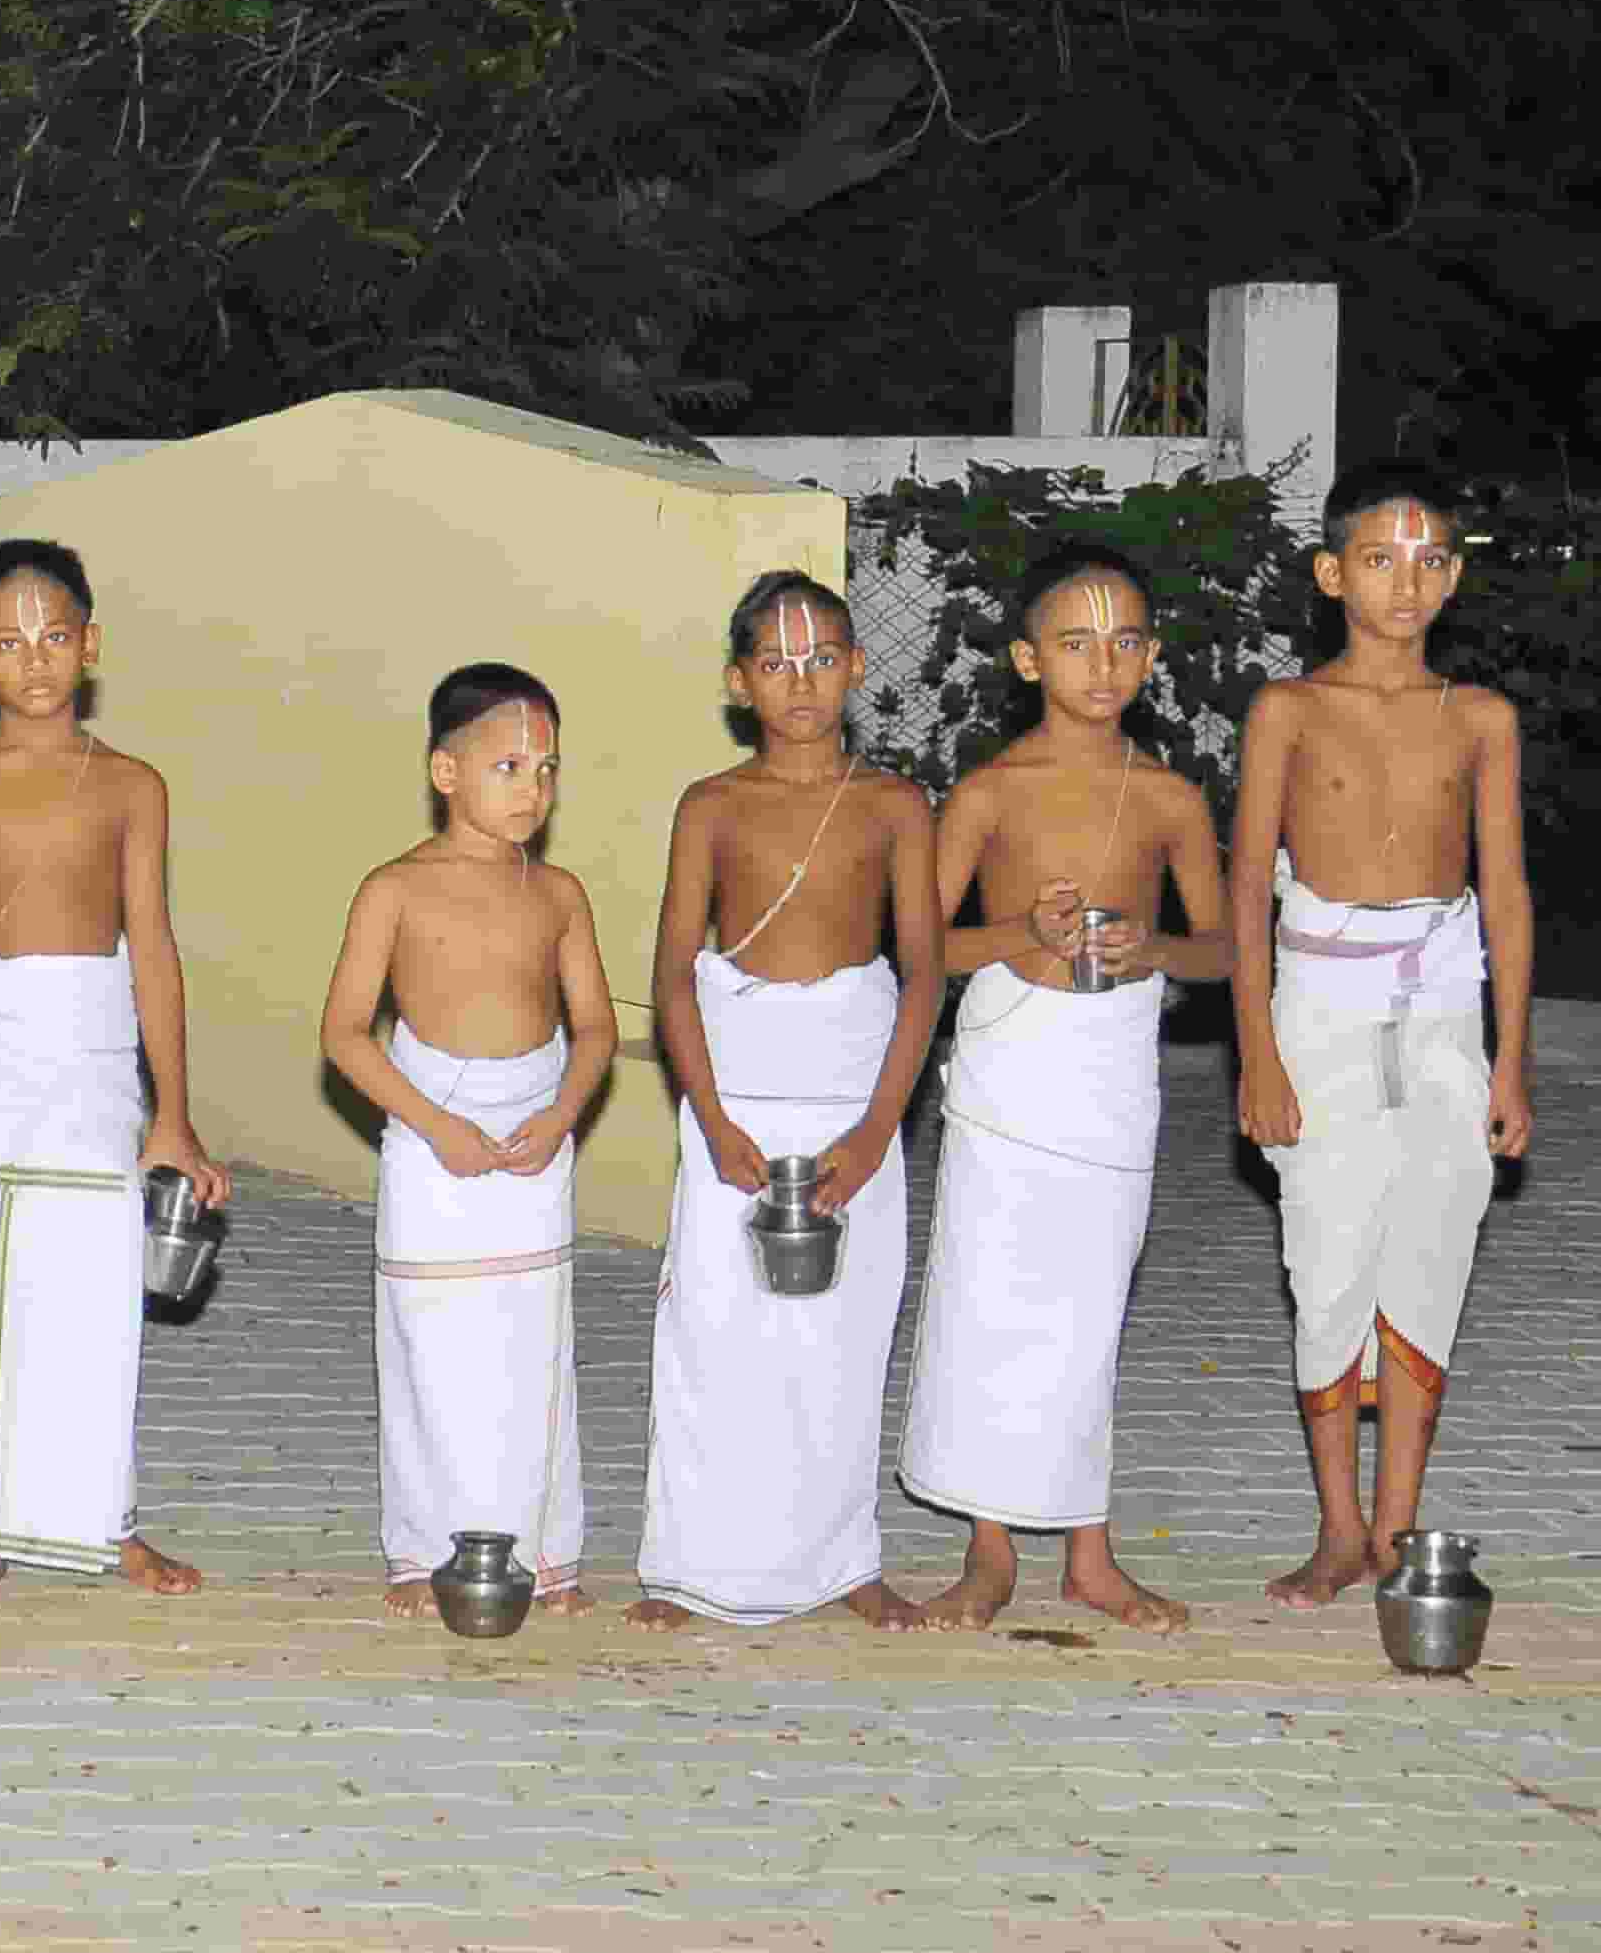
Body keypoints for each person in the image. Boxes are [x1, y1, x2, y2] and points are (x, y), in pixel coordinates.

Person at [900, 541, 1227, 1633]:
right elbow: (917, 946)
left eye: (1125, 642)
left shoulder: (1170, 799)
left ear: (1151, 657)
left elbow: (1225, 949)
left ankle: (1089, 1553)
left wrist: (1156, 951)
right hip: (1010, 1063)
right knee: (986, 1296)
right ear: (1028, 659)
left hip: (1108, 1068)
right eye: (1076, 643)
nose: (1103, 664)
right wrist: (1016, 933)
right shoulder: (990, 793)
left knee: (1089, 1304)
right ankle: (989, 1547)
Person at [0, 538, 224, 1604]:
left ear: (90, 646)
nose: (33, 659)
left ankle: (104, 1521)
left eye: (53, 637)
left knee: (94, 1291)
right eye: (8, 641)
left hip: (89, 1045)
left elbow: (152, 946)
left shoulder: (131, 786)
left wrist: (173, 1114)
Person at [1229, 467, 1533, 1607]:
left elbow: (1504, 894)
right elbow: (1246, 884)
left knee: (1430, 1254)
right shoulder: (1288, 710)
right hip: (1320, 1011)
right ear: (1331, 574)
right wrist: (1256, 1053)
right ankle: (1338, 1527)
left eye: (1429, 560)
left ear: (1451, 578)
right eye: (1378, 559)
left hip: (1445, 1012)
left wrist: (1510, 1059)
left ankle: (1399, 1527)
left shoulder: (1481, 719)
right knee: (1326, 1259)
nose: (1405, 583)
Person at [630, 574, 944, 1633]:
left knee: (844, 1331)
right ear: (739, 682)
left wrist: (879, 1126)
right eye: (775, 662)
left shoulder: (894, 805)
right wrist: (713, 1119)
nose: (801, 682)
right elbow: (675, 973)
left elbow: (923, 973)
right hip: (736, 1088)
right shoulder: (711, 807)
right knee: (716, 1325)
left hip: (853, 1088)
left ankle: (842, 1559)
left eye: (821, 659)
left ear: (856, 667)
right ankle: (687, 1566)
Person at [324, 664, 613, 1620]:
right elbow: (344, 1034)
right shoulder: (393, 889)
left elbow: (596, 1031)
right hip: (431, 1135)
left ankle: (546, 1552)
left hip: (534, 1133)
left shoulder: (560, 894)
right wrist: (435, 1124)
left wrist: (560, 1115)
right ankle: (421, 1549)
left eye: (547, 769)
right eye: (508, 767)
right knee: (431, 1344)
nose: (533, 789)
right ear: (445, 772)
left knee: (534, 1347)